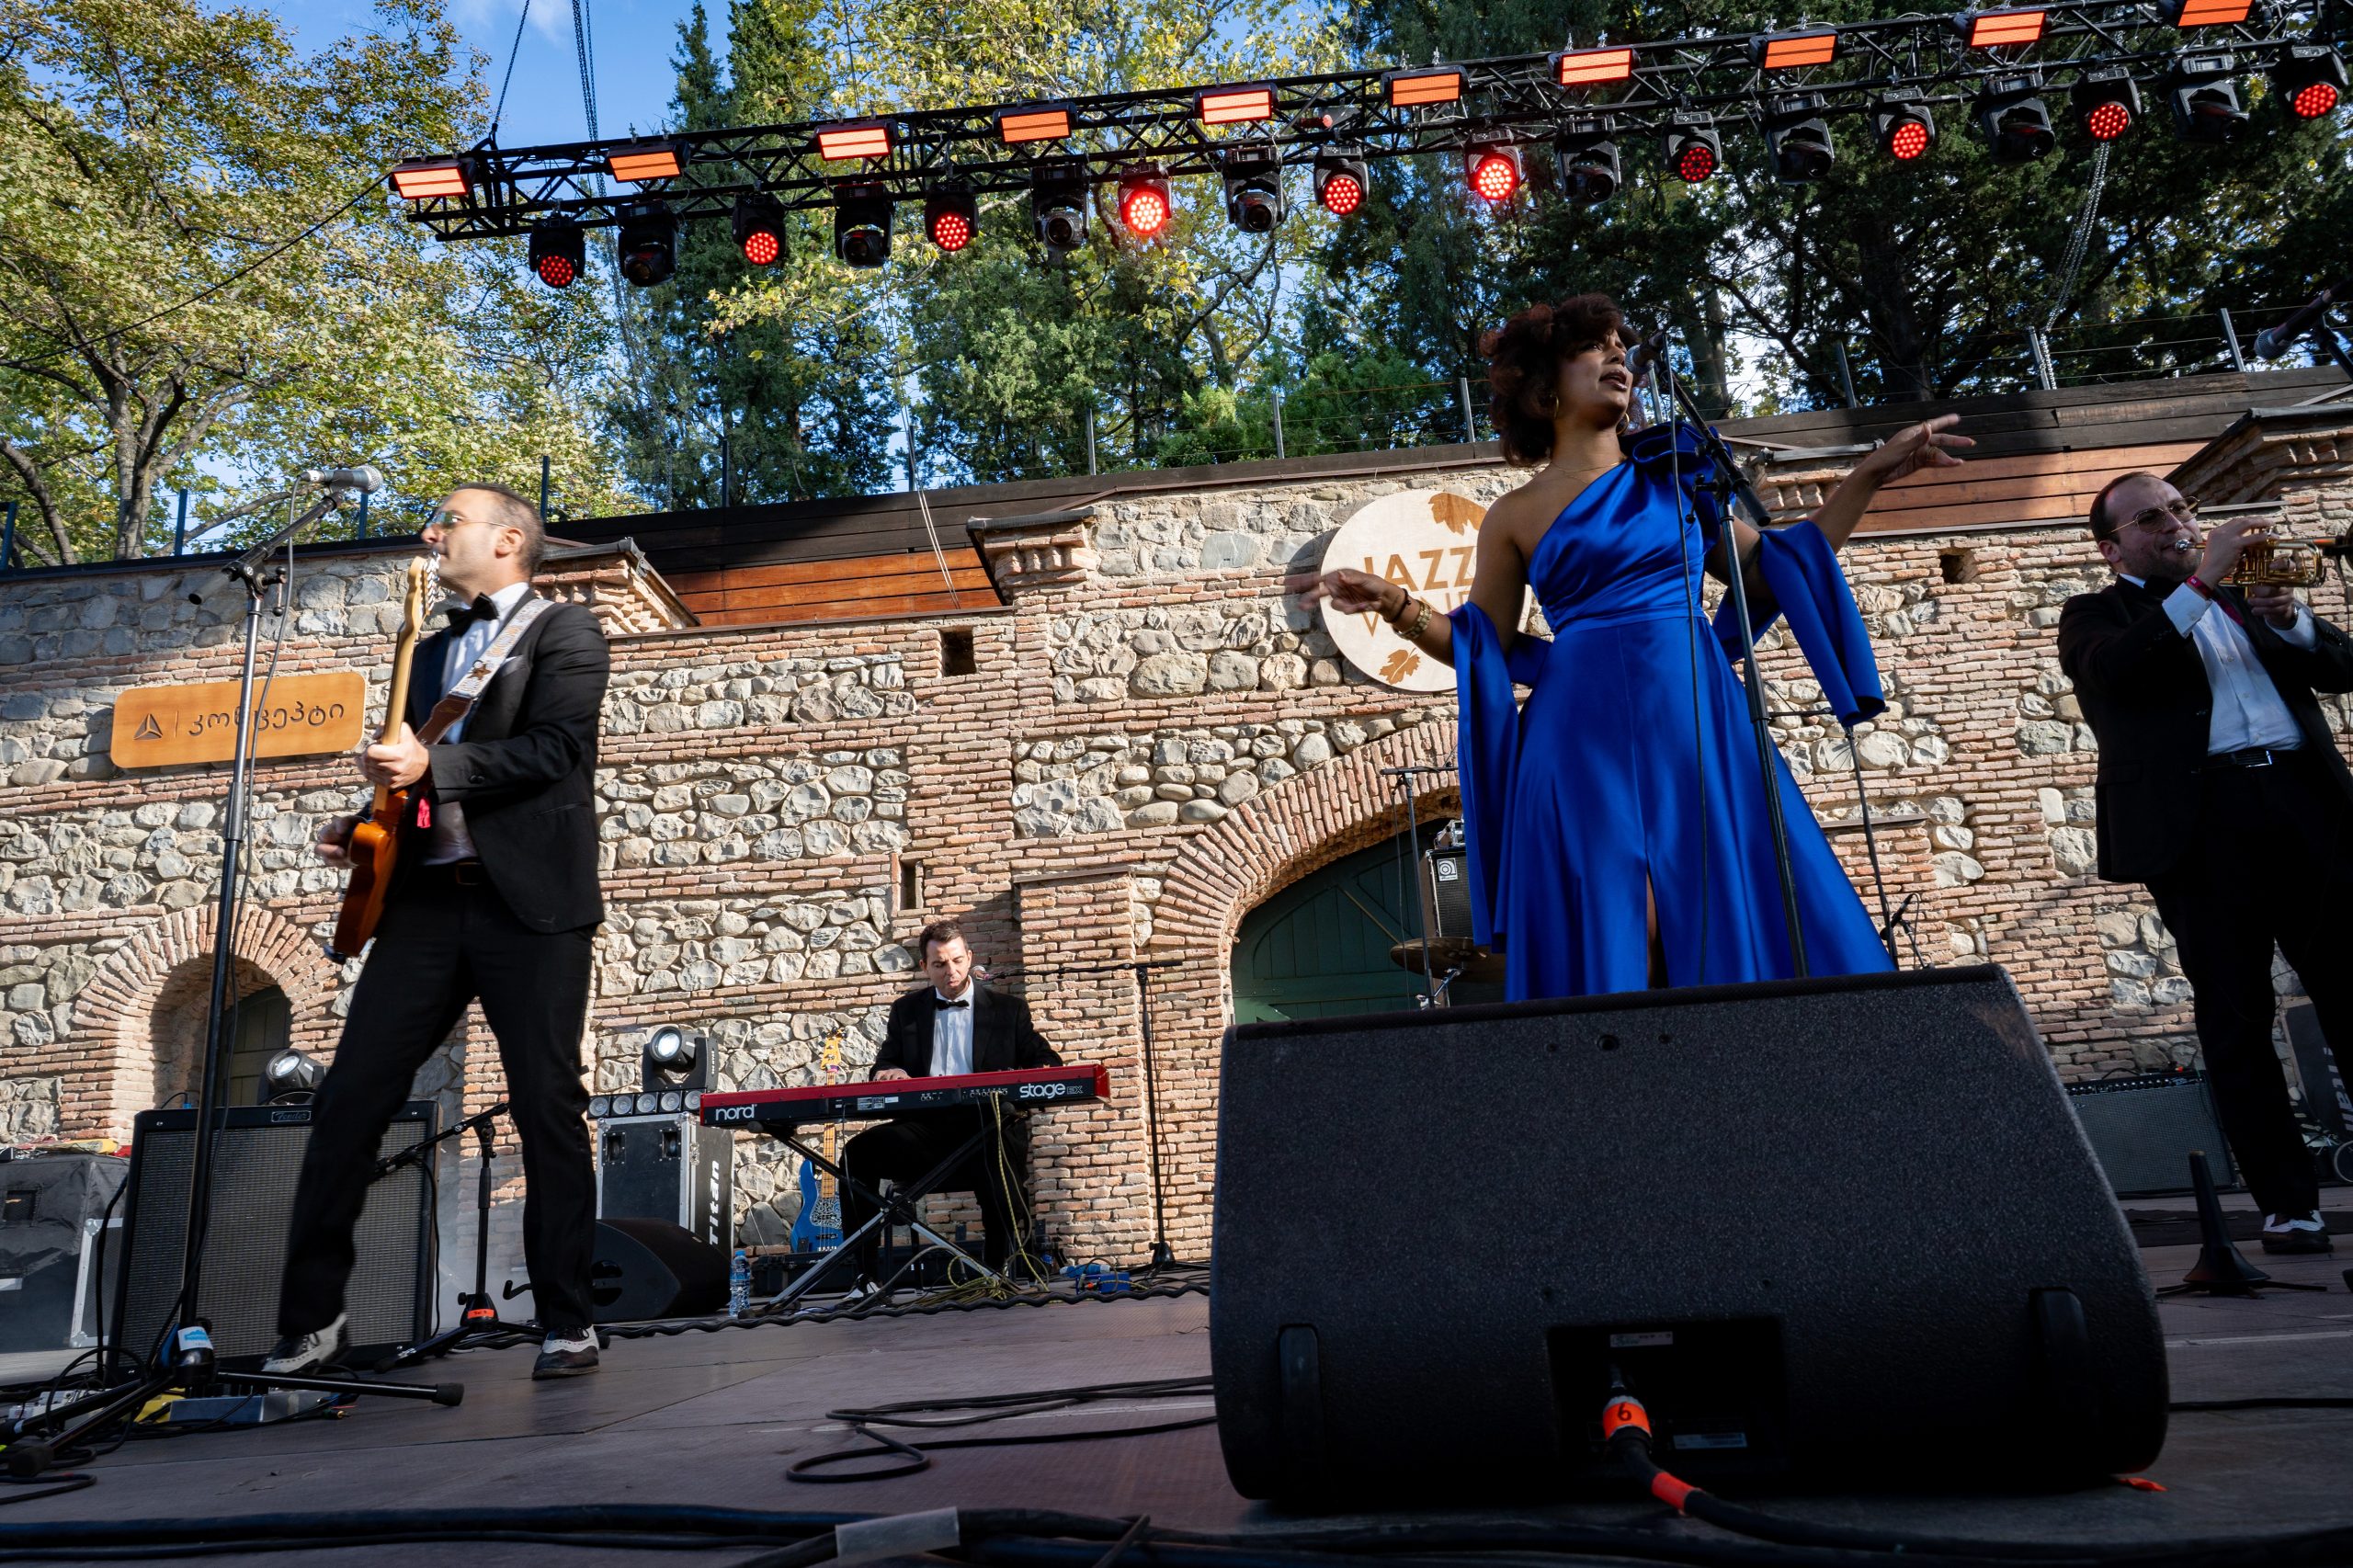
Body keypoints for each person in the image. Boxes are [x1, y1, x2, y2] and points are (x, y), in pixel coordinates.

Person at [1302, 296, 1970, 1000]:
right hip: (1578, 739)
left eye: (1622, 348)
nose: (1618, 357)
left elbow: (1778, 571)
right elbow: (1482, 645)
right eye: (1594, 348)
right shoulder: (1514, 514)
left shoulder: (1677, 481)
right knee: (1623, 921)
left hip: (1696, 722)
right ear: (1544, 388)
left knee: (1713, 911)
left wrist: (1867, 476)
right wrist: (1396, 605)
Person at [267, 483, 613, 1379]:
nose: (431, 533)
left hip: (529, 906)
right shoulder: (425, 651)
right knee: (348, 1100)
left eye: (449, 520)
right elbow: (415, 780)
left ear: (508, 540)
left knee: (546, 1102)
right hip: (423, 907)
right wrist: (364, 824)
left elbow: (557, 751)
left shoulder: (564, 631)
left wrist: (433, 764)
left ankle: (568, 1321)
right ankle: (311, 1326)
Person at [2057, 472, 2353, 1255]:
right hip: (2202, 828)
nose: (2175, 524)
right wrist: (2202, 582)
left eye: (2181, 509)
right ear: (2112, 547)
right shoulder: (2094, 614)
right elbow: (2117, 672)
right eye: (2150, 518)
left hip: (2305, 806)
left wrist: (2290, 621)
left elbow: (2341, 668)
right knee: (2236, 1016)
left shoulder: (2247, 598)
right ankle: (2289, 1207)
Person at [838, 920, 1061, 1290]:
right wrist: (891, 1071)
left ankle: (996, 1273)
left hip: (989, 1126)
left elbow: (1047, 1062)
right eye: (940, 964)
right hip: (926, 1131)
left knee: (999, 1152)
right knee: (856, 1154)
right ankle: (865, 1278)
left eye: (957, 961)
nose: (951, 971)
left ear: (969, 958)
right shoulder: (907, 1011)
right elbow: (884, 1064)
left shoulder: (1008, 1010)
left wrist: (1020, 1077)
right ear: (925, 967)